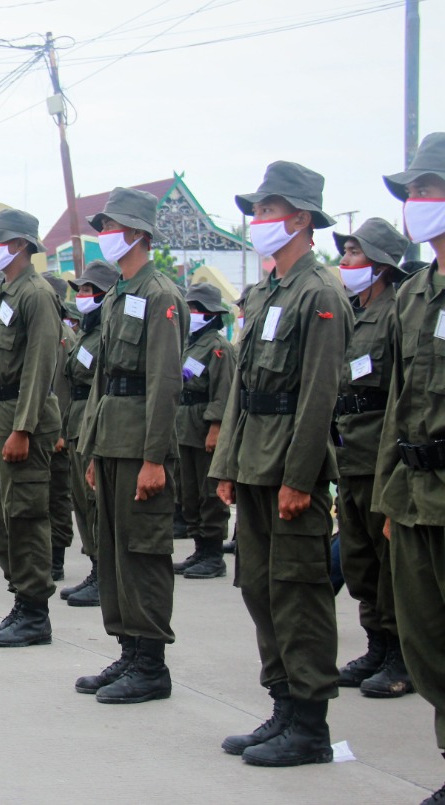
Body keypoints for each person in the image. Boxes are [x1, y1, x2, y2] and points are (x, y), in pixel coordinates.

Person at [211, 162, 352, 765]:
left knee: (299, 594)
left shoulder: (321, 291)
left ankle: (311, 726)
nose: (257, 220)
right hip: (252, 462)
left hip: (289, 467)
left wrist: (302, 477)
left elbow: (320, 393)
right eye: (258, 210)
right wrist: (225, 464)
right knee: (260, 589)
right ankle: (283, 705)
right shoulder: (267, 289)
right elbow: (242, 388)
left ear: (300, 219)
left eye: (268, 211)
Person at [78, 188, 187, 704]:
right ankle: (127, 650)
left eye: (113, 227)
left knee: (143, 552)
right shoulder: (120, 291)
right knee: (116, 550)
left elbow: (164, 381)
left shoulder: (161, 293)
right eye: (102, 227)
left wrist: (153, 458)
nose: (105, 236)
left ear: (140, 234)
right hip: (113, 439)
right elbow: (103, 377)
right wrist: (95, 448)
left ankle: (151, 664)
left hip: (141, 443)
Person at [375, 132, 445, 804]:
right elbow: (401, 397)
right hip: (418, 490)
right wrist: (393, 492)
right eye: (413, 193)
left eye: (427, 189)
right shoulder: (417, 293)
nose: (415, 203)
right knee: (427, 644)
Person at [329, 217, 415, 698]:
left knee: (390, 561)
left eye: (355, 255)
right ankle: (377, 645)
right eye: (344, 254)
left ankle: (402, 655)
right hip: (350, 451)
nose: (345, 262)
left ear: (380, 264)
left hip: (380, 450)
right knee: (360, 559)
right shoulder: (353, 310)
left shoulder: (397, 311)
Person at [0, 210, 62, 647]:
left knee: (24, 516)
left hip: (21, 419)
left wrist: (22, 428)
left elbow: (39, 367)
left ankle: (34, 612)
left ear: (22, 245)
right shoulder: (2, 293)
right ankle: (21, 601)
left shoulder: (36, 294)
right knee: (0, 519)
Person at [60, 261, 118, 607]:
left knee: (96, 501)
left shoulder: (105, 332)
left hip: (94, 417)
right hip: (75, 417)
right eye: (78, 290)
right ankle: (96, 566)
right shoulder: (85, 332)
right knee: (81, 499)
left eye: (87, 290)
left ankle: (107, 573)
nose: (80, 295)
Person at [172, 283, 236, 580]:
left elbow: (223, 390)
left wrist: (216, 427)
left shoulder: (218, 346)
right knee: (189, 490)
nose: (192, 313)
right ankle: (200, 547)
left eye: (196, 308)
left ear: (211, 313)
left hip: (204, 425)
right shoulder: (189, 342)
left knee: (209, 491)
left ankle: (213, 553)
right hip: (184, 425)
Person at [43, 270, 76, 582]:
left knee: (56, 497)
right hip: (43, 429)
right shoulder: (45, 330)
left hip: (57, 434)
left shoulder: (63, 335)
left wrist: (61, 432)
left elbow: (64, 388)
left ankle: (57, 557)